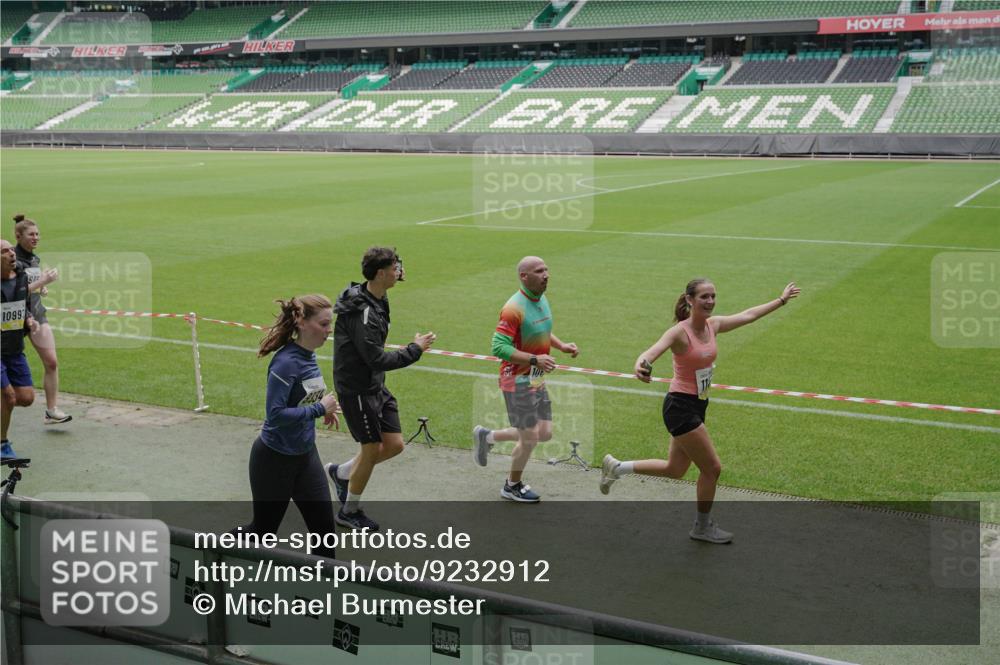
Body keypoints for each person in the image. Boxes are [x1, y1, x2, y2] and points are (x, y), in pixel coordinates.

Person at [599, 278, 801, 544]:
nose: (710, 301)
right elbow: (651, 352)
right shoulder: (679, 333)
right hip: (680, 407)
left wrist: (782, 300)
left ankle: (617, 468)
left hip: (697, 404)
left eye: (713, 296)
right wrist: (641, 365)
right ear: (690, 300)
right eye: (704, 297)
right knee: (712, 469)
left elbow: (748, 315)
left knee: (675, 469)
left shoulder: (712, 325)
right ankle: (702, 527)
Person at [327, 247, 435, 531]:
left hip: (374, 384)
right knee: (372, 447)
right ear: (379, 273)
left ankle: (342, 473)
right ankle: (349, 511)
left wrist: (393, 276)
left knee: (395, 445)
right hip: (357, 387)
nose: (399, 271)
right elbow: (376, 358)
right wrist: (415, 349)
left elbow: (373, 358)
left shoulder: (376, 295)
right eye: (394, 268)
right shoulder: (363, 312)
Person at [238, 295, 341, 558]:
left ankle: (320, 596)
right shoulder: (285, 362)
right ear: (302, 323)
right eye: (324, 324)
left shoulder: (309, 355)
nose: (329, 330)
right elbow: (275, 414)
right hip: (274, 460)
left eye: (330, 324)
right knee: (261, 532)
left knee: (324, 536)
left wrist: (322, 410)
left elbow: (305, 394)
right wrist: (319, 409)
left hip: (305, 456)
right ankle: (212, 552)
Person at [472, 256, 579, 503]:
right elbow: (498, 347)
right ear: (524, 276)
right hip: (516, 379)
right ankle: (512, 485)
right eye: (539, 271)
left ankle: (488, 437)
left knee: (544, 433)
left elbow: (541, 329)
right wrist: (534, 359)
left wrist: (560, 345)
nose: (546, 275)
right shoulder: (513, 308)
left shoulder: (540, 298)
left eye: (547, 270)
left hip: (535, 375)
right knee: (529, 437)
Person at [13, 214, 72, 425]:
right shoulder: (11, 259)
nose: (36, 238)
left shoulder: (34, 258)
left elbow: (31, 286)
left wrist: (42, 286)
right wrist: (43, 281)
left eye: (37, 234)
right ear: (18, 236)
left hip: (37, 314)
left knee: (52, 362)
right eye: (31, 234)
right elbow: (13, 292)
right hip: (13, 319)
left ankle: (51, 411)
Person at [1, 239, 57, 461]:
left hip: (14, 349)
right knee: (8, 397)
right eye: (4, 251)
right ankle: (2, 445)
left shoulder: (21, 277)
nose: (11, 254)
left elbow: (22, 305)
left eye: (11, 250)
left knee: (25, 398)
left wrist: (29, 319)